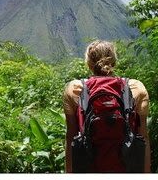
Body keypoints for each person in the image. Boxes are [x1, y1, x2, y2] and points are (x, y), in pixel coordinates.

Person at [63, 40, 151, 173]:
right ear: (114, 61)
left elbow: (71, 137)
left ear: (88, 63)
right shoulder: (136, 88)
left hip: (89, 169)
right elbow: (143, 137)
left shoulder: (75, 89)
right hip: (126, 168)